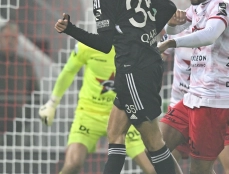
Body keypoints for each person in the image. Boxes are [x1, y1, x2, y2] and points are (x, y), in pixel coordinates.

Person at [54, 0, 181, 174]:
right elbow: (168, 7)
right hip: (136, 67)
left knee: (153, 142)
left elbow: (104, 45)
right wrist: (147, 37)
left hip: (134, 71)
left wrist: (71, 29)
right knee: (115, 132)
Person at [158, 0, 229, 174]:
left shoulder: (223, 3)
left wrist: (172, 41)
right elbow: (175, 33)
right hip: (193, 98)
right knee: (157, 147)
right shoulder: (197, 8)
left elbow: (211, 35)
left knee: (201, 170)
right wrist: (170, 26)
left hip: (214, 100)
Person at [39, 42, 156, 174]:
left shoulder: (135, 46)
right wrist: (52, 103)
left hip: (123, 116)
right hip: (89, 114)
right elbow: (69, 71)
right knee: (73, 163)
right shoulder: (87, 46)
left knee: (152, 169)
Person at [161, 27, 229, 174]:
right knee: (159, 156)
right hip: (181, 110)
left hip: (214, 110)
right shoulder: (179, 33)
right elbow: (156, 56)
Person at [0, 21, 39, 146]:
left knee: (14, 160)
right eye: (6, 37)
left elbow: (35, 93)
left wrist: (27, 118)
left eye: (14, 38)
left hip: (17, 126)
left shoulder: (25, 65)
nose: (10, 41)